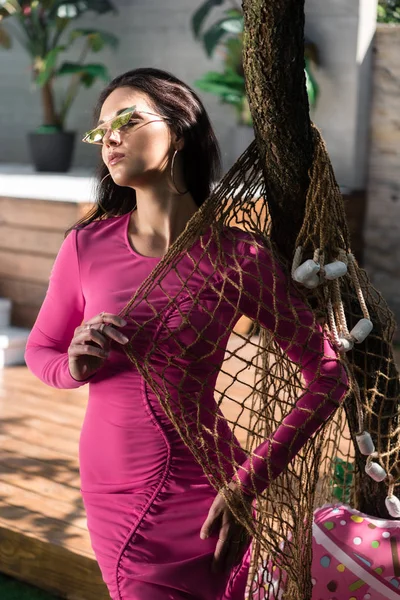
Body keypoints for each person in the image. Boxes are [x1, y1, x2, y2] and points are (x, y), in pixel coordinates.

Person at [25, 67, 349, 600]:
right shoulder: (86, 247)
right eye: (101, 127)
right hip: (115, 484)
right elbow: (41, 350)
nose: (110, 137)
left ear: (179, 130)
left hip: (215, 487)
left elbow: (329, 372)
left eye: (127, 120)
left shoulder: (240, 258)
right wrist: (73, 366)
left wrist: (250, 482)